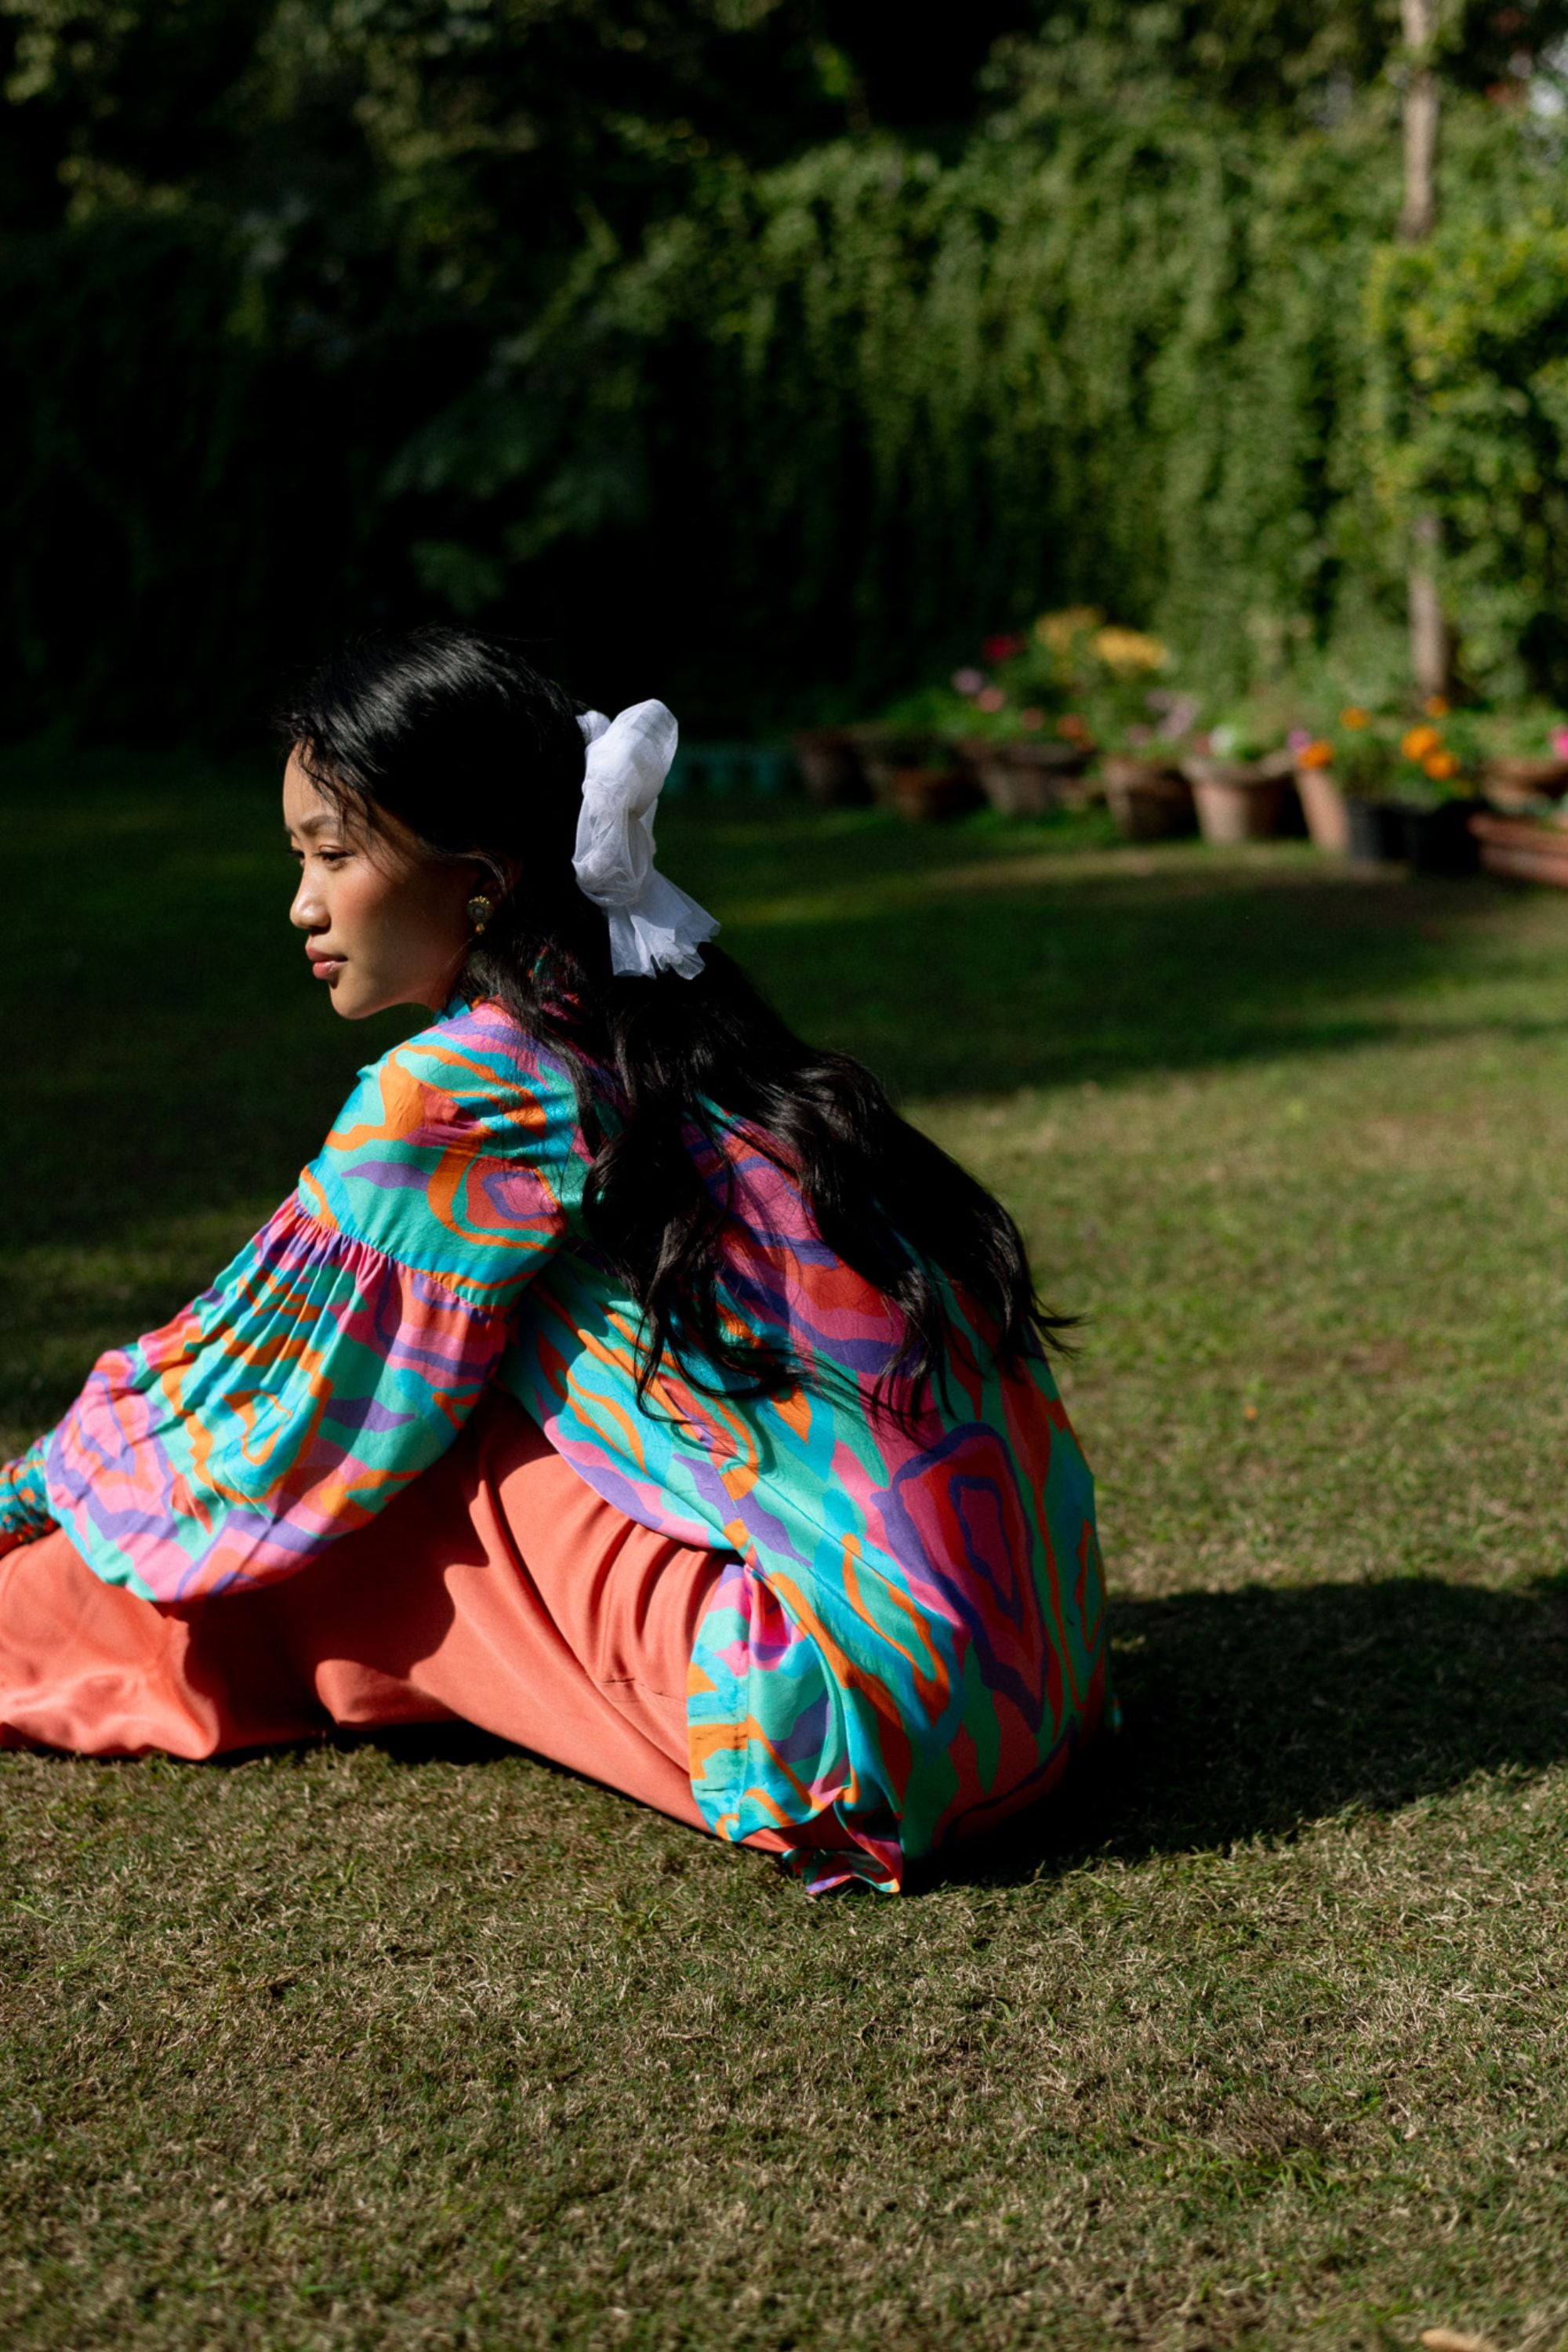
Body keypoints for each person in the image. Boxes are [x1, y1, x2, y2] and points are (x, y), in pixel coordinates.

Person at [0, 629, 1112, 1893]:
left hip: (852, 1739)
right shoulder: (672, 1026)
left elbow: (245, 1398)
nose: (302, 903)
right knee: (443, 1375)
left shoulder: (458, 1090)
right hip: (1041, 1689)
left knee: (377, 1458)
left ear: (479, 878)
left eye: (333, 853)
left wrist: (20, 1497)